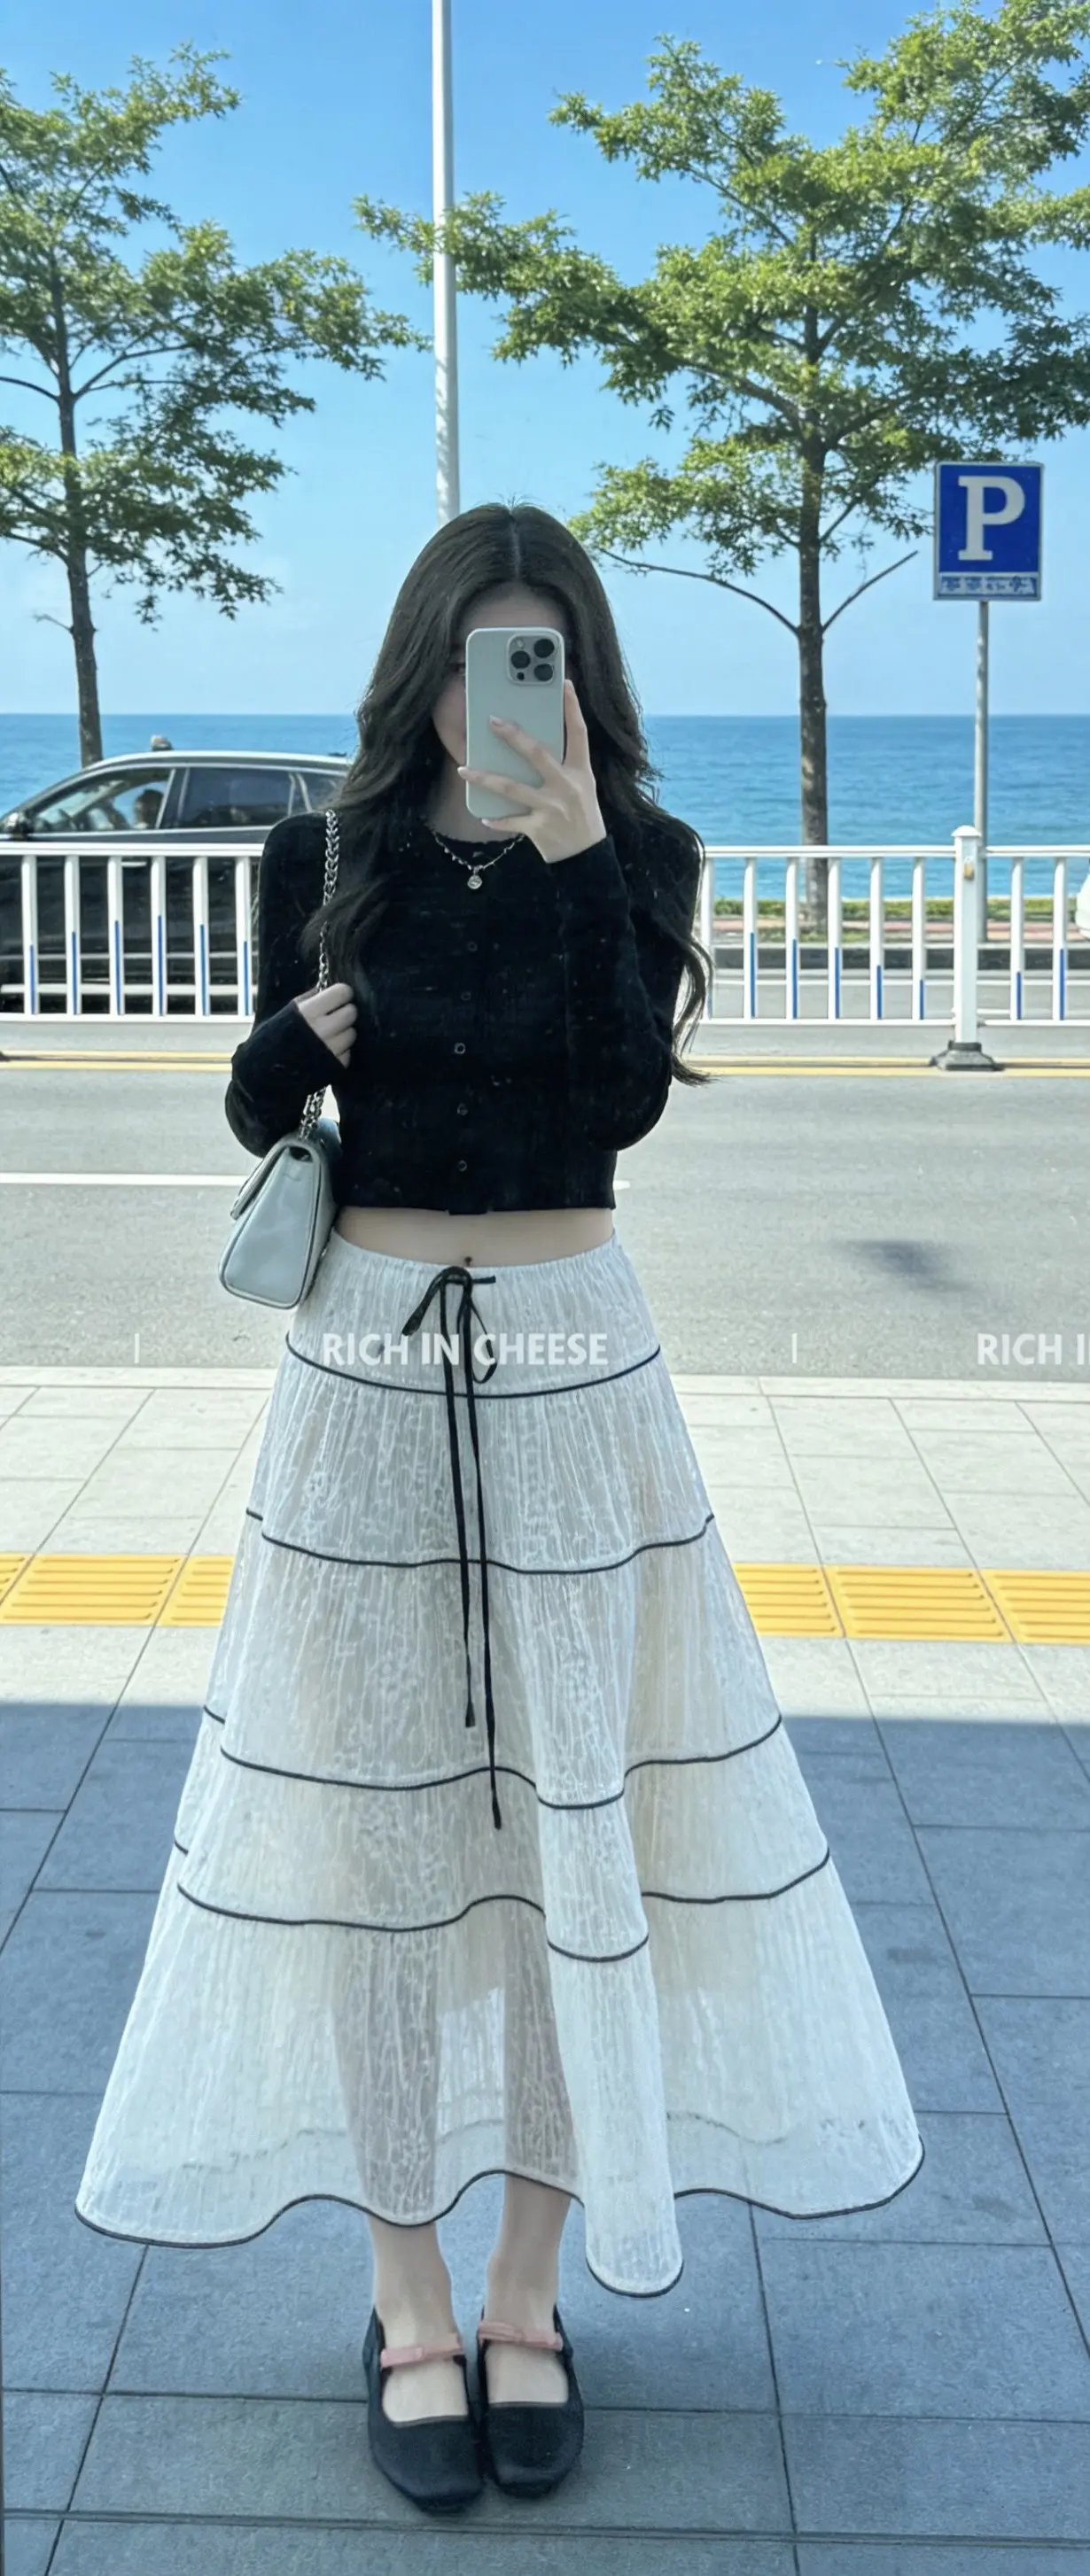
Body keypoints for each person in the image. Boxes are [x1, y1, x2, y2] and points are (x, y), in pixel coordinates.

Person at [74, 501, 923, 2518]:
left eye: (538, 658)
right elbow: (267, 1108)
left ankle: (529, 2290)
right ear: (425, 666)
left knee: (573, 1827)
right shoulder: (327, 857)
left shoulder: (637, 854)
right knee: (377, 1846)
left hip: (572, 1362)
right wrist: (279, 1047)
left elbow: (621, 1103)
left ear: (582, 676)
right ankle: (407, 2300)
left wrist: (573, 862)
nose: (501, 699)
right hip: (364, 1371)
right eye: (476, 660)